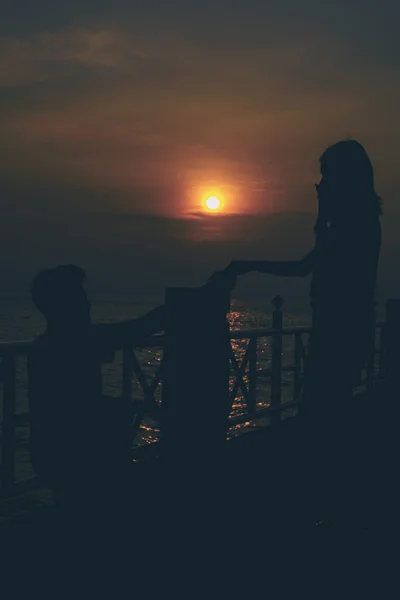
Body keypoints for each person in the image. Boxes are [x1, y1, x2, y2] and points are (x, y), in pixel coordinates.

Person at [226, 140, 382, 517]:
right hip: (340, 331)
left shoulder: (355, 224)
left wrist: (322, 215)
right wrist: (248, 263)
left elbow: (317, 267)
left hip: (340, 333)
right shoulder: (350, 222)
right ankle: (330, 501)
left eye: (326, 174)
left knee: (322, 418)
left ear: (343, 178)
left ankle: (326, 506)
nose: (321, 182)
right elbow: (308, 266)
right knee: (326, 415)